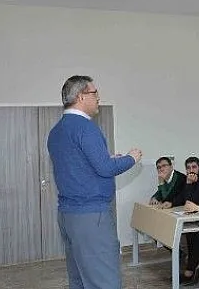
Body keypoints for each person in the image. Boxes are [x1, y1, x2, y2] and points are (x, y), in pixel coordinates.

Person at [47, 75, 142, 289]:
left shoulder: (57, 131)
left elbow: (79, 167)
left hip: (68, 215)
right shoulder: (86, 128)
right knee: (104, 281)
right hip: (91, 217)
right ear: (81, 96)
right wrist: (131, 158)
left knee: (79, 279)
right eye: (95, 93)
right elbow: (105, 169)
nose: (98, 98)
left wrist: (108, 160)